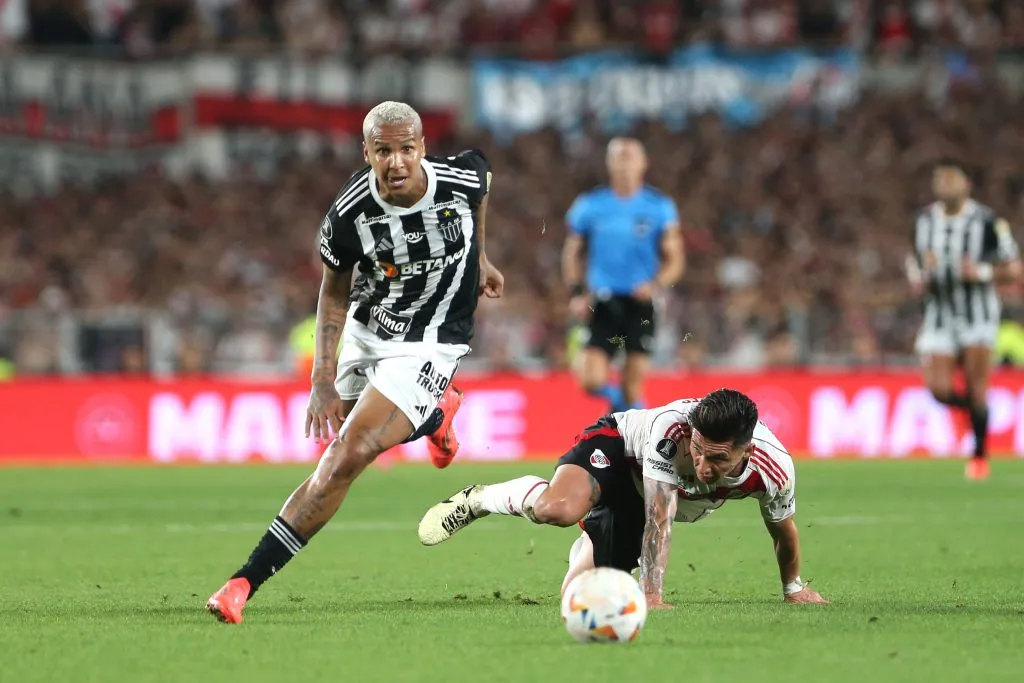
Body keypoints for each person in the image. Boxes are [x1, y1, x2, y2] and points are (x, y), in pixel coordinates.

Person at [206, 101, 505, 624]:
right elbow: (333, 291)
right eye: (384, 151)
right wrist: (321, 377)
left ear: (422, 149)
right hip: (370, 329)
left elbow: (481, 184)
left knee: (347, 454)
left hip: (431, 342)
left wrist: (480, 257)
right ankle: (436, 415)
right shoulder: (349, 214)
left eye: (407, 149)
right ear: (366, 152)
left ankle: (241, 583)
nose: (396, 162)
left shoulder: (461, 179)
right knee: (341, 446)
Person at [418, 389, 828, 609]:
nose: (703, 465)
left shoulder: (773, 470)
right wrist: (652, 595)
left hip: (637, 502)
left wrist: (793, 587)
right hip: (618, 450)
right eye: (699, 450)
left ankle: (594, 538)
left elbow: (782, 530)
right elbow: (660, 519)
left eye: (718, 459)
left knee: (578, 600)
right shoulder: (671, 432)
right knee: (556, 510)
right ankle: (481, 498)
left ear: (747, 452)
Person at [906, 158, 1022, 480]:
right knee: (939, 389)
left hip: (979, 318)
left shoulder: (988, 222)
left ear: (967, 184)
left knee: (977, 385)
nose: (944, 184)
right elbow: (914, 262)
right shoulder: (923, 221)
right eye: (939, 179)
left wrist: (982, 271)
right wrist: (919, 276)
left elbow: (1014, 269)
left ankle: (980, 455)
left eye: (951, 178)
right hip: (939, 316)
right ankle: (976, 414)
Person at [562, 138, 685, 414]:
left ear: (643, 164)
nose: (625, 163)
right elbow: (572, 253)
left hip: (640, 304)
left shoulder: (659, 207)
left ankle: (635, 434)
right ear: (609, 163)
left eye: (630, 157)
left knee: (634, 385)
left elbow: (675, 259)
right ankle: (619, 403)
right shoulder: (590, 205)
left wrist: (655, 284)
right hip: (602, 302)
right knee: (590, 380)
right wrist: (576, 293)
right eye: (619, 157)